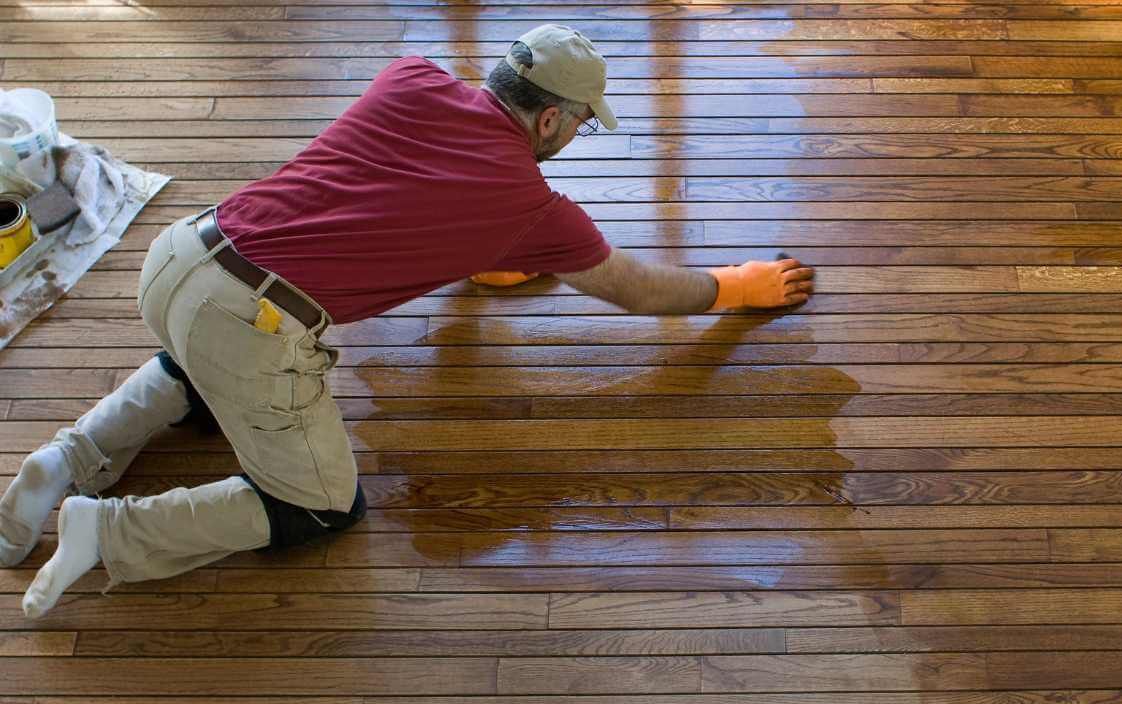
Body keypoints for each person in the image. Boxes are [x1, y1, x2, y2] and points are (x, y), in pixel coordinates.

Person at [0, 24, 814, 618]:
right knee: (318, 506)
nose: (574, 137)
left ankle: (63, 459)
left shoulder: (410, 78)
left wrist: (486, 254)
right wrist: (736, 287)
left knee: (201, 369)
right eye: (579, 123)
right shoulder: (531, 203)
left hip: (181, 257)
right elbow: (638, 291)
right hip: (247, 321)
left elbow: (400, 189)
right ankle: (105, 530)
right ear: (549, 121)